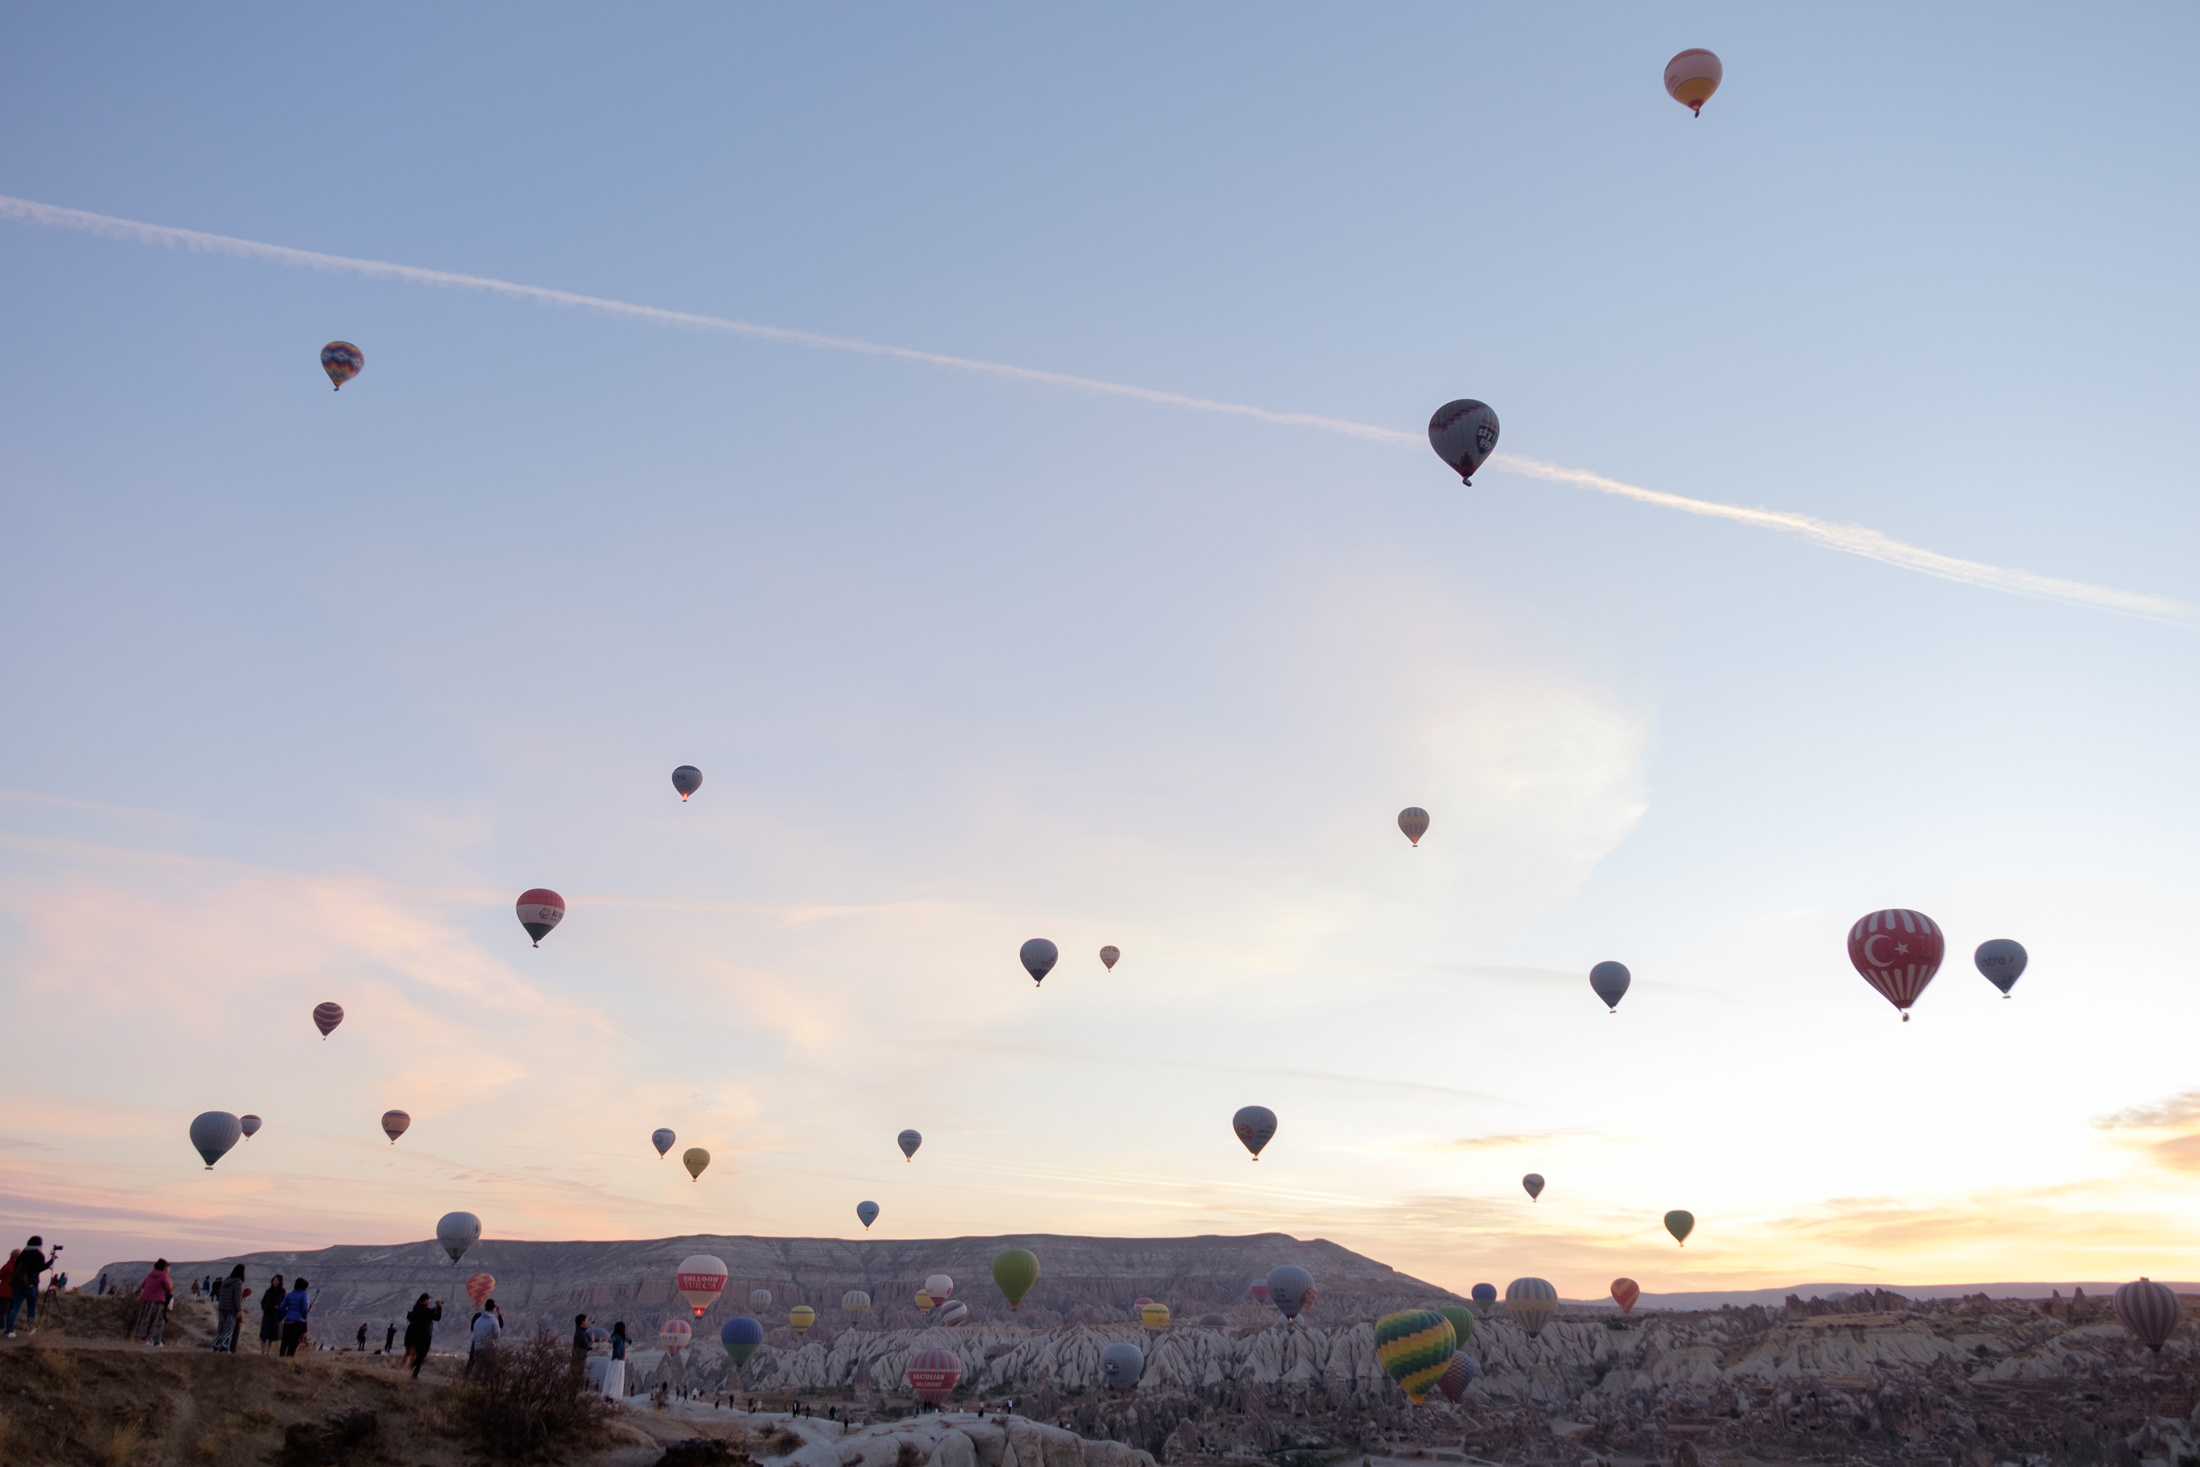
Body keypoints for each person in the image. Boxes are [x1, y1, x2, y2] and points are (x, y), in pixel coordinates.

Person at [6, 1237, 55, 1336]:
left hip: (18, 1285)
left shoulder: (22, 1254)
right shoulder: (39, 1254)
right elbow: (40, 1268)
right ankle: (30, 1330)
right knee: (31, 1308)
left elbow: (16, 1269)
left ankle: (9, 1330)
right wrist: (51, 1260)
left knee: (15, 1308)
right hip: (31, 1286)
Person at [133, 1258, 174, 1345]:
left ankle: (141, 1338)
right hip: (157, 1300)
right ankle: (149, 1339)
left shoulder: (149, 1274)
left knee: (145, 1319)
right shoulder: (163, 1275)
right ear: (164, 1267)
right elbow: (168, 1288)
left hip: (146, 1300)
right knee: (154, 1320)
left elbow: (143, 1285)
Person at [402, 1294, 442, 1379]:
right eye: (428, 1300)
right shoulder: (426, 1311)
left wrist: (434, 1309)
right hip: (424, 1337)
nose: (428, 1301)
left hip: (414, 1335)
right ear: (423, 1300)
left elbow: (427, 1314)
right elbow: (437, 1317)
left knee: (412, 1354)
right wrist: (440, 1308)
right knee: (420, 1355)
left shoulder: (416, 1310)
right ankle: (414, 1373)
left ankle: (405, 1371)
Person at [213, 1266, 249, 1352]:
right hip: (231, 1309)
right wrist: (238, 1311)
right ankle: (224, 1347)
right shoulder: (238, 1282)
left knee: (221, 1328)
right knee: (229, 1329)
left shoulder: (225, 1281)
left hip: (222, 1308)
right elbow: (237, 1298)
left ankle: (215, 1345)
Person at [279, 1277, 312, 1357]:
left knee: (285, 1340)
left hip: (287, 1321)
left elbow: (282, 1307)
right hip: (298, 1322)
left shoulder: (289, 1294)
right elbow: (304, 1308)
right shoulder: (304, 1295)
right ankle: (289, 1359)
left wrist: (286, 1314)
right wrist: (304, 1316)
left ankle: (281, 1357)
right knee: (293, 1342)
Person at [467, 1298, 501, 1375]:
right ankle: (484, 1385)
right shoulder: (493, 1320)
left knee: (478, 1369)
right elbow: (497, 1334)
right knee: (488, 1370)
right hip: (488, 1348)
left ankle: (475, 1384)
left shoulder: (478, 1320)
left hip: (477, 1348)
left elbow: (474, 1333)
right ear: (493, 1308)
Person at [258, 1274, 287, 1355]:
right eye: (274, 1280)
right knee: (264, 1333)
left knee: (272, 1334)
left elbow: (284, 1303)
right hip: (267, 1314)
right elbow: (263, 1302)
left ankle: (268, 1351)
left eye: (277, 1280)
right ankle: (262, 1350)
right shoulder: (268, 1291)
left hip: (275, 1316)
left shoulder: (282, 1292)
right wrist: (264, 1308)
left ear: (280, 1282)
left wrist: (279, 1308)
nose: (275, 1282)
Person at [570, 1313, 590, 1387]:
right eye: (586, 1320)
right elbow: (585, 1344)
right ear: (582, 1322)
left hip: (580, 1356)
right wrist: (591, 1342)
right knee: (577, 1375)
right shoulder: (580, 1333)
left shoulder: (582, 1332)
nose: (587, 1322)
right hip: (579, 1357)